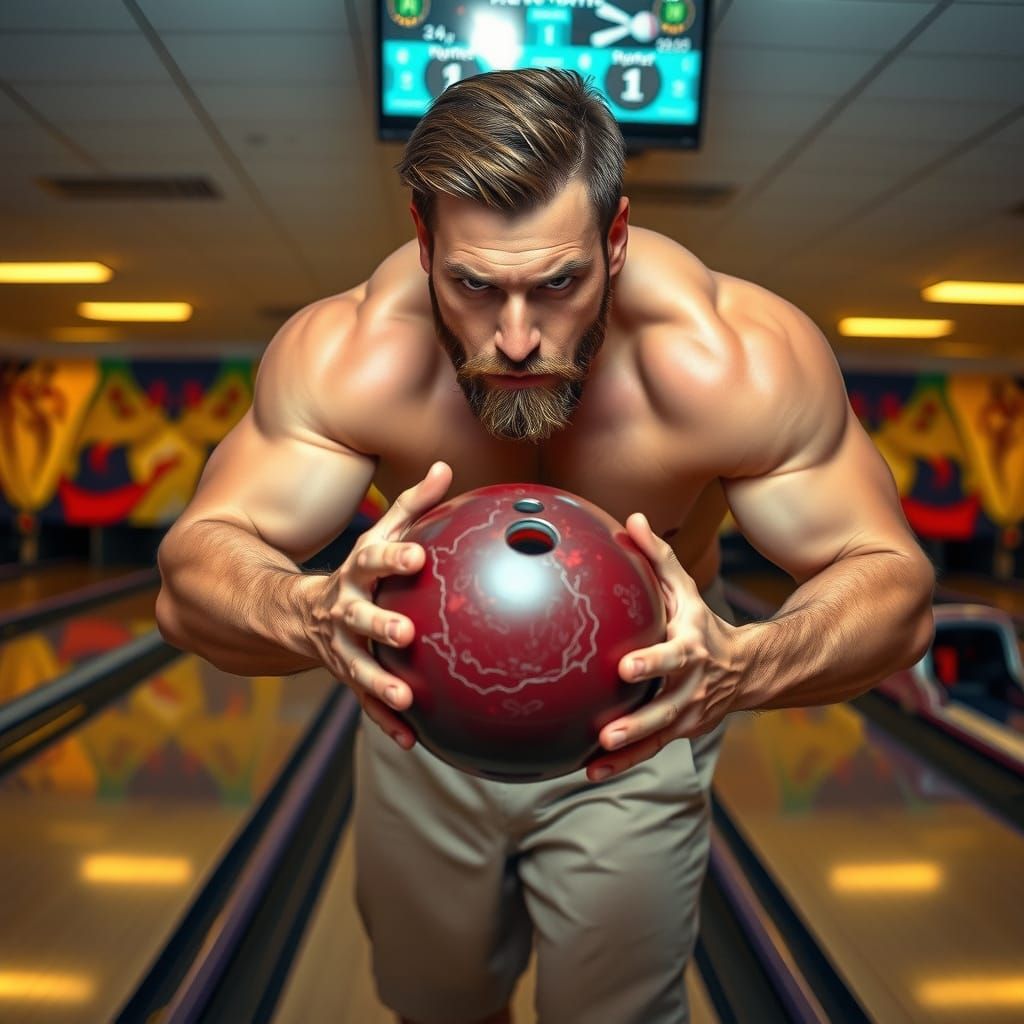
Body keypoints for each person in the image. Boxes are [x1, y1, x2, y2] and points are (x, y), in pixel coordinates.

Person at [155, 69, 934, 1024]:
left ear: (615, 239)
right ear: (421, 238)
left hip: (641, 731)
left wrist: (746, 663)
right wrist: (308, 611)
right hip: (420, 729)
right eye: (473, 285)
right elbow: (193, 571)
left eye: (558, 283)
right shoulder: (353, 357)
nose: (516, 339)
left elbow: (895, 588)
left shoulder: (732, 361)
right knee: (435, 1005)